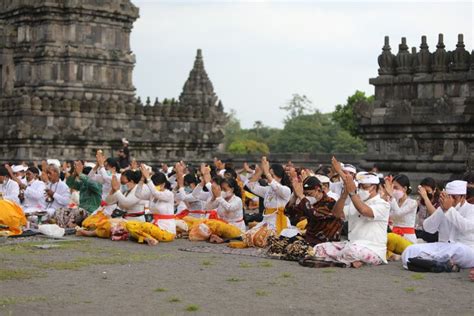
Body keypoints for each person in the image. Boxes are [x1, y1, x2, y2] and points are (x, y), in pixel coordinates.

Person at [307, 157, 390, 268]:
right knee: (319, 248)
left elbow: (364, 210)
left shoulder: (383, 204)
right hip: (351, 244)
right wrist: (344, 195)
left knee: (350, 251)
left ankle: (346, 260)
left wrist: (352, 193)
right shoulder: (355, 202)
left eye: (363, 187)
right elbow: (336, 214)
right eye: (359, 187)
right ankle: (350, 261)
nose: (360, 189)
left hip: (373, 249)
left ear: (373, 188)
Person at [402, 180, 474, 270]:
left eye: (454, 197)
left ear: (463, 197)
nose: (450, 200)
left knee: (457, 248)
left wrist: (449, 210)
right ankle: (441, 265)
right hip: (443, 247)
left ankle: (430, 263)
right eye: (448, 196)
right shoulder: (443, 209)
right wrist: (441, 210)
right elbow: (428, 228)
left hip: (466, 249)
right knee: (409, 250)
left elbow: (466, 227)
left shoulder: (471, 209)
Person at [287, 176, 342, 246]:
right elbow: (289, 214)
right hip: (309, 238)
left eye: (309, 194)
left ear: (318, 189)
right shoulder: (307, 203)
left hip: (325, 243)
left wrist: (301, 196)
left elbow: (314, 214)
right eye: (305, 194)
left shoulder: (330, 202)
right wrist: (295, 196)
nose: (307, 196)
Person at [246, 157, 292, 235]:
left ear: (280, 177)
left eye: (272, 175)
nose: (268, 178)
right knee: (247, 236)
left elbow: (276, 187)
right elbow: (251, 186)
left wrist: (267, 172)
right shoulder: (268, 190)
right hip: (266, 221)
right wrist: (261, 170)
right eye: (268, 175)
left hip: (278, 223)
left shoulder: (286, 190)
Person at [136, 165, 176, 238]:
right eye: (154, 185)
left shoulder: (169, 194)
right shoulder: (153, 194)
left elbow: (156, 193)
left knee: (145, 226)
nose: (154, 187)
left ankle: (146, 237)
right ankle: (147, 238)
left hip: (167, 230)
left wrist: (148, 178)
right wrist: (142, 179)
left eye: (156, 185)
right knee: (131, 225)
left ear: (163, 184)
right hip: (154, 226)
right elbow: (138, 195)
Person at [384, 174, 418, 243]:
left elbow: (398, 213)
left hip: (408, 238)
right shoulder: (393, 201)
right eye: (392, 188)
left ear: (405, 189)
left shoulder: (412, 203)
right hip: (394, 236)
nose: (393, 190)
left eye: (396, 188)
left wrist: (391, 196)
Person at [415, 177, 440, 242]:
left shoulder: (439, 201)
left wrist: (426, 197)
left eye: (428, 191)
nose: (425, 193)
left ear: (434, 190)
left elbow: (435, 215)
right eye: (424, 191)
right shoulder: (420, 200)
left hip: (433, 233)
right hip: (420, 230)